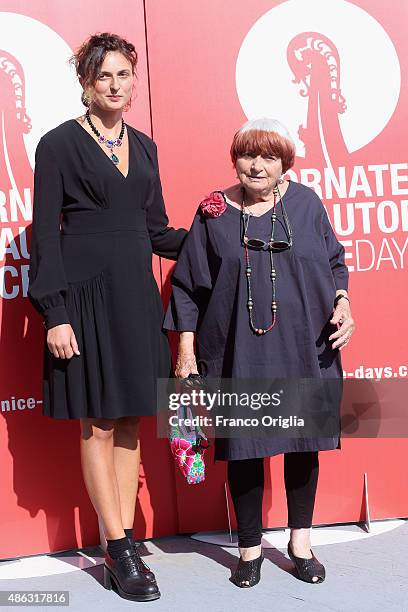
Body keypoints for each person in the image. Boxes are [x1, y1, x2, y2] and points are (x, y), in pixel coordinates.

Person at [28, 33, 186, 602]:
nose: (115, 86)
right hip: (84, 299)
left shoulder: (144, 146)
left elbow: (157, 231)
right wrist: (56, 313)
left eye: (124, 76)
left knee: (127, 421)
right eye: (104, 78)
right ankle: (118, 549)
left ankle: (119, 538)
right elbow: (45, 234)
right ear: (86, 84)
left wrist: (219, 234)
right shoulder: (58, 145)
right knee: (95, 421)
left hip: (134, 299)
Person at [164, 117, 355, 587]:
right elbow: (187, 287)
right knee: (245, 450)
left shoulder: (307, 203)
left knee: (302, 445)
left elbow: (334, 260)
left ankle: (301, 544)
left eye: (269, 156)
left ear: (285, 163)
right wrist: (185, 350)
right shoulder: (214, 213)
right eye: (249, 154)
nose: (257, 164)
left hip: (305, 347)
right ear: (235, 158)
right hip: (237, 353)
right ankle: (249, 549)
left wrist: (344, 302)